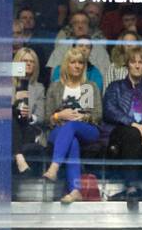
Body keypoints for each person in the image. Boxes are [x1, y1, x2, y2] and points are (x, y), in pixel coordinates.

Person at [102, 46, 142, 204]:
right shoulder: (115, 87)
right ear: (127, 65)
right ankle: (131, 188)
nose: (137, 65)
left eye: (140, 62)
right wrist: (134, 125)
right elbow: (109, 110)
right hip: (121, 134)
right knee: (131, 133)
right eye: (133, 62)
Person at [42, 47, 103, 204]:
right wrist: (59, 115)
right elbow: (45, 118)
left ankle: (54, 167)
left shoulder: (90, 86)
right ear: (66, 65)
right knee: (72, 140)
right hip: (59, 129)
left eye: (80, 63)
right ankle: (75, 191)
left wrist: (83, 116)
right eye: (73, 62)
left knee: (72, 126)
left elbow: (97, 115)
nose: (77, 66)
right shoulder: (55, 87)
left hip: (86, 129)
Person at [11, 47, 46, 175]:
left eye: (32, 61)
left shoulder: (39, 88)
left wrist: (30, 116)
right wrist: (14, 102)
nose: (29, 63)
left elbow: (41, 117)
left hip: (28, 129)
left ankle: (17, 155)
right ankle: (20, 158)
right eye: (24, 61)